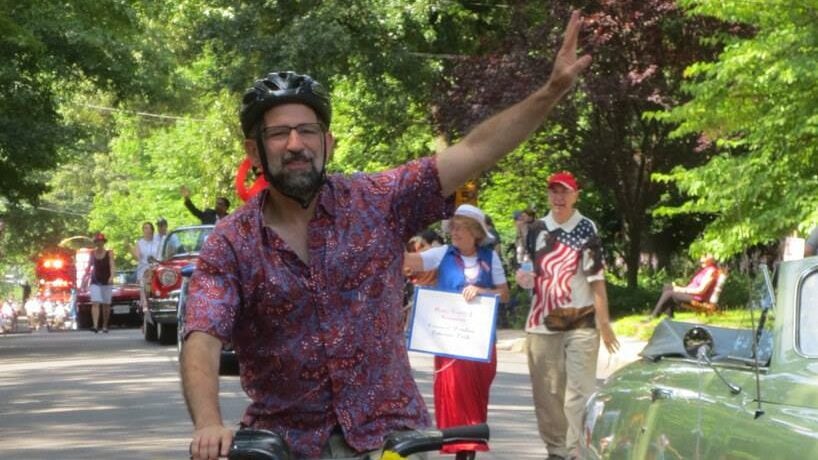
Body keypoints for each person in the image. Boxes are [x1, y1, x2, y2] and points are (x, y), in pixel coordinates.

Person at [181, 10, 592, 460]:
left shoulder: (379, 200)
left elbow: (473, 150)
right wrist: (208, 424)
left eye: (307, 131)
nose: (295, 144)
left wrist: (550, 92)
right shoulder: (231, 241)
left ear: (328, 142)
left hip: (390, 437)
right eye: (278, 134)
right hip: (287, 443)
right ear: (253, 151)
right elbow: (202, 334)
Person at [515, 170, 619, 460]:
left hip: (581, 319)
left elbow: (597, 278)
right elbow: (525, 267)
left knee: (579, 392)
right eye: (554, 191)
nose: (559, 198)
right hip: (541, 322)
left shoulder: (587, 228)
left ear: (576, 195)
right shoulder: (536, 228)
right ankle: (557, 450)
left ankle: (576, 451)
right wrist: (523, 278)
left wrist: (604, 323)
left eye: (565, 192)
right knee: (548, 396)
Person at [404, 205, 509, 460]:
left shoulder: (490, 258)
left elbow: (504, 294)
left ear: (475, 232)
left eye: (460, 227)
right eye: (453, 227)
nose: (454, 232)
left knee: (475, 398)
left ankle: (468, 448)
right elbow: (410, 262)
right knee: (453, 396)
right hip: (450, 344)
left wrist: (482, 292)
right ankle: (462, 451)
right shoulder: (442, 254)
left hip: (480, 343)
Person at [646, 254, 720, 320]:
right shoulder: (704, 270)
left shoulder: (711, 271)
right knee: (667, 287)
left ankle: (654, 316)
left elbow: (701, 290)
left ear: (711, 259)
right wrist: (680, 289)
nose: (701, 259)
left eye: (704, 257)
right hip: (692, 295)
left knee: (669, 294)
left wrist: (681, 290)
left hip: (698, 298)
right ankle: (669, 316)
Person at [88, 232, 115, 333]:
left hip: (107, 281)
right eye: (97, 241)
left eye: (101, 241)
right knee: (95, 302)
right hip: (95, 281)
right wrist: (84, 279)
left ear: (104, 242)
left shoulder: (109, 253)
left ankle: (104, 325)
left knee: (106, 304)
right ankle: (95, 325)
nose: (99, 243)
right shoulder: (92, 253)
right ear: (95, 243)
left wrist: (112, 276)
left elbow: (112, 265)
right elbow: (89, 267)